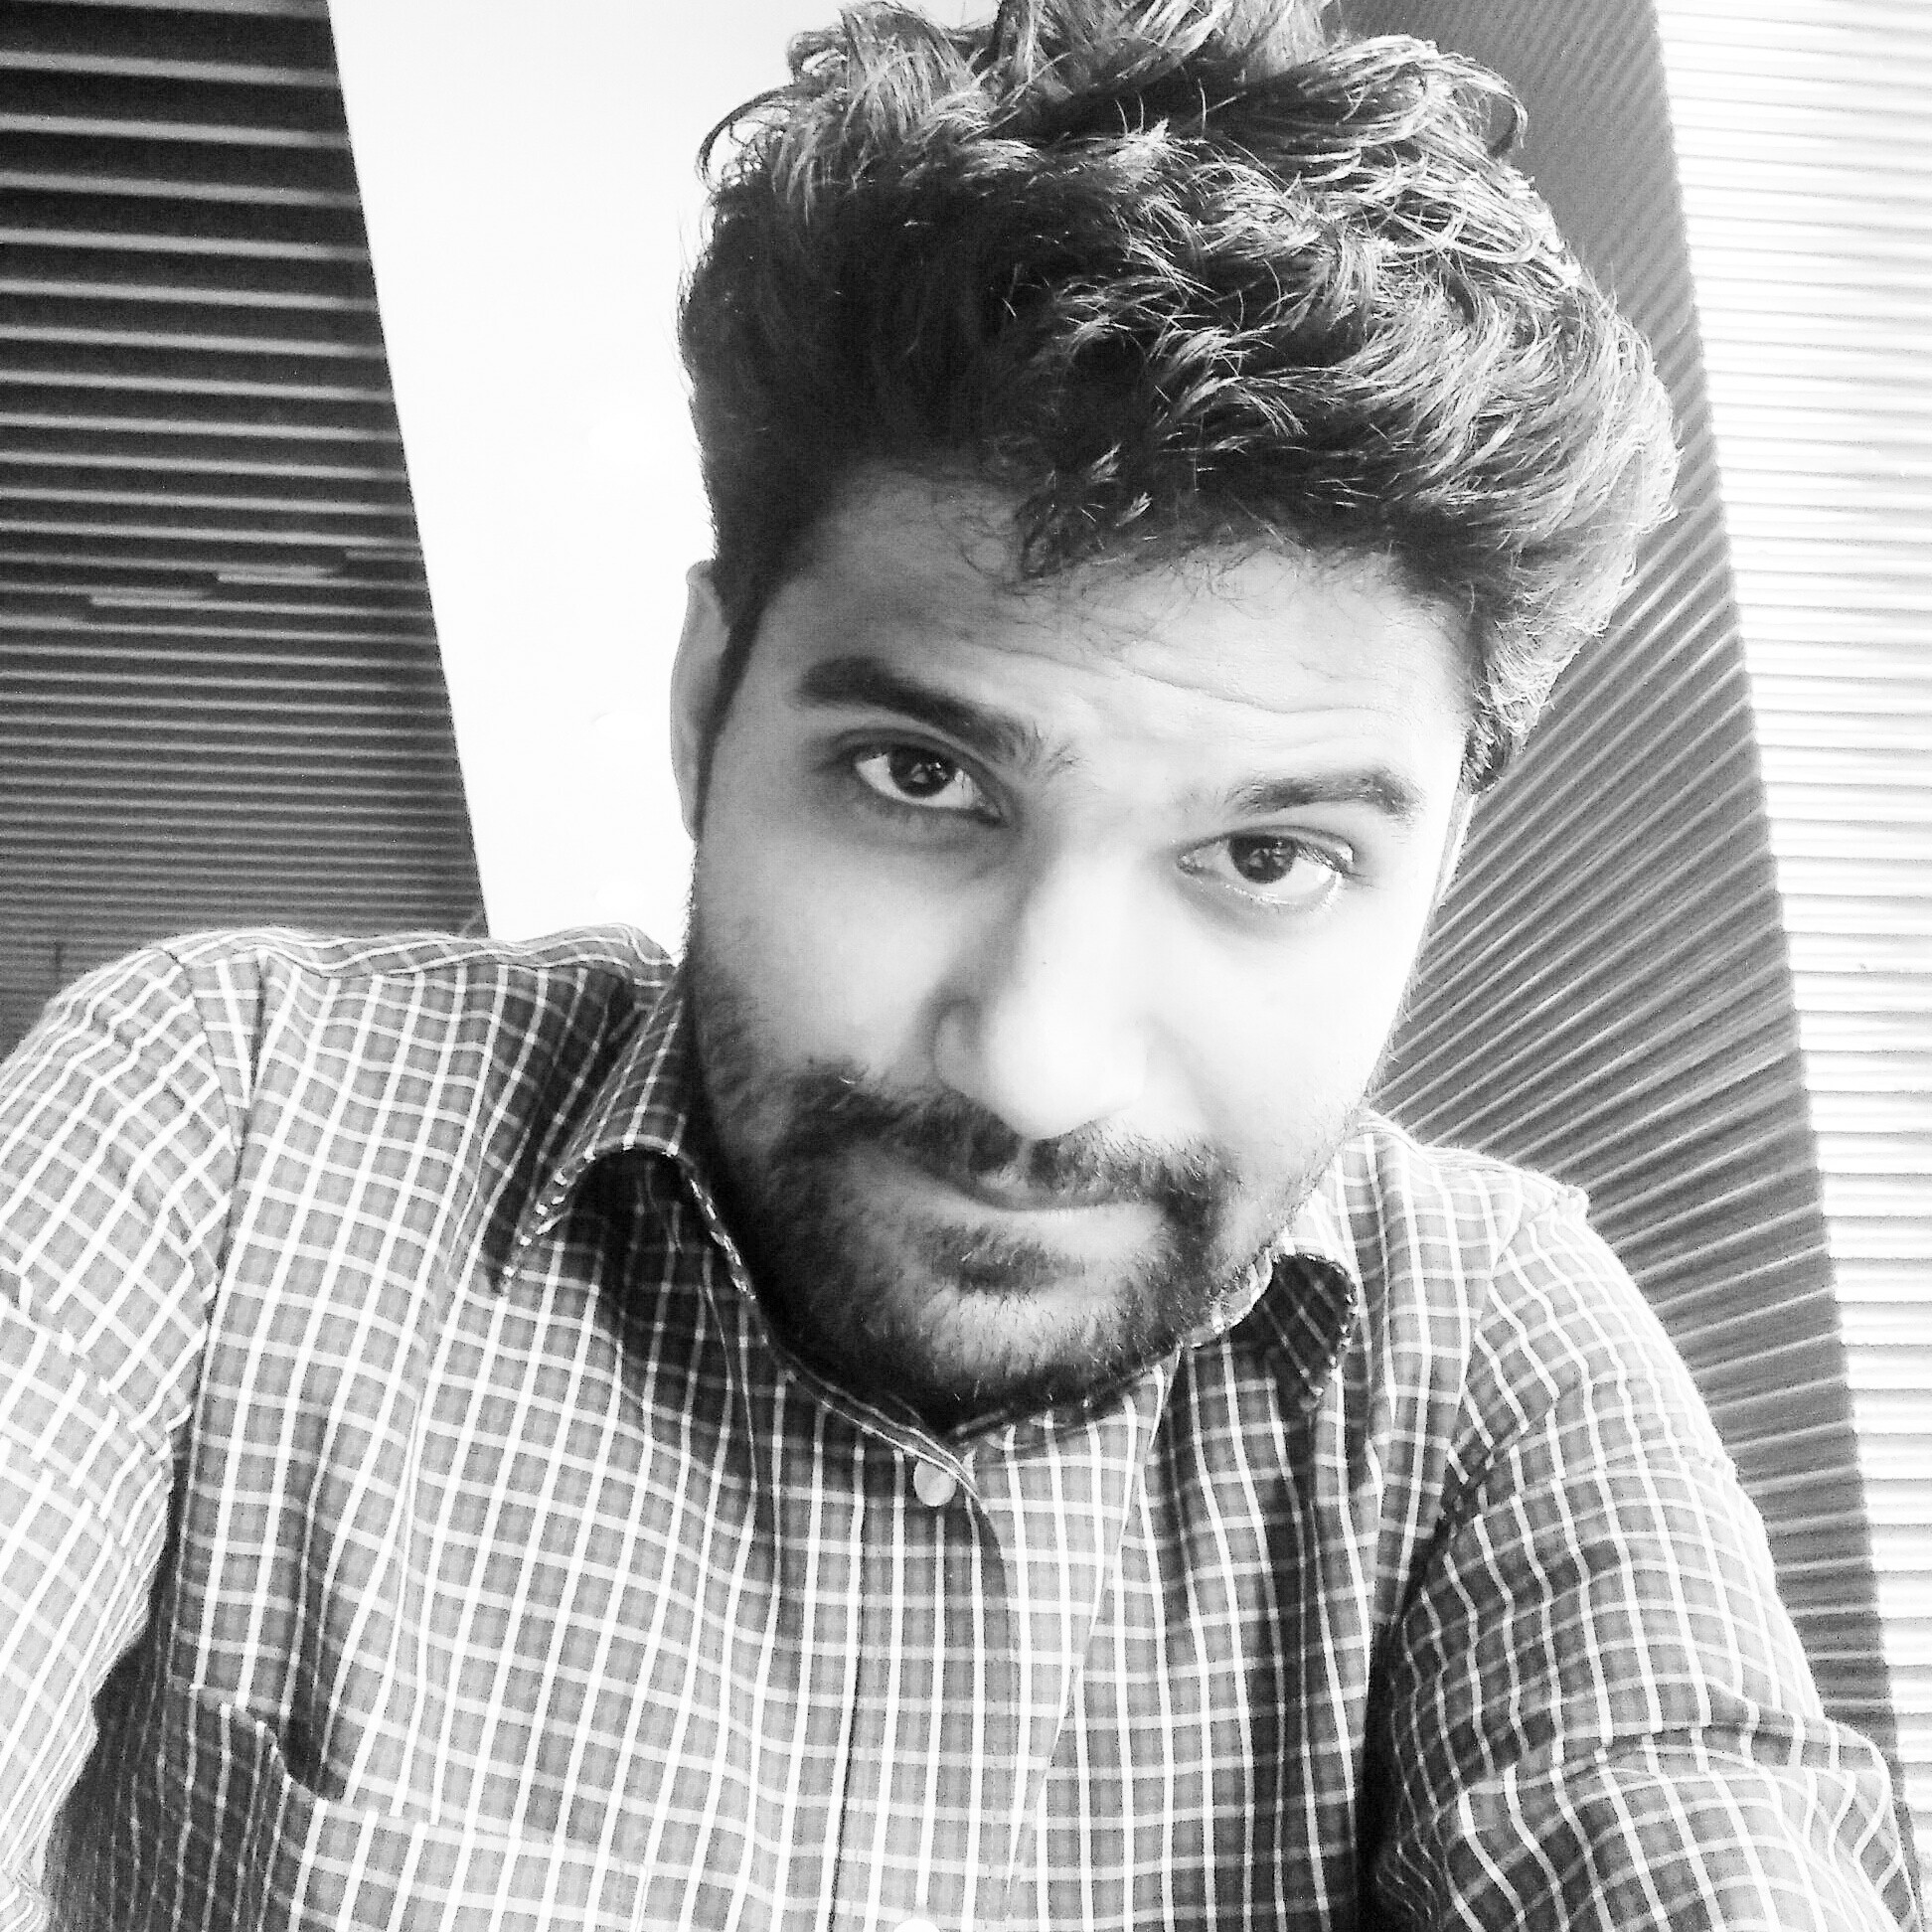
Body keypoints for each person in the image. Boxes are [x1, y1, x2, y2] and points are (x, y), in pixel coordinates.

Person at [0, 1, 1918, 1926]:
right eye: (920, 778)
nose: (1036, 1064)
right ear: (705, 707)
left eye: (1267, 856)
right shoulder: (227, 1121)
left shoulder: (1491, 1349)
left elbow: (1681, 1826)